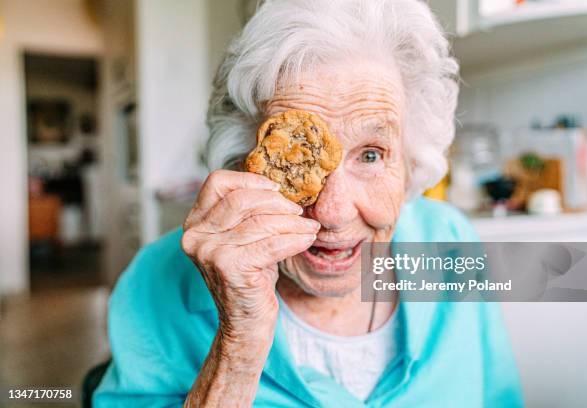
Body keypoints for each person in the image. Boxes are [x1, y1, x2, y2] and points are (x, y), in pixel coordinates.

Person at [94, 0, 523, 406]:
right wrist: (238, 345)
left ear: (412, 164)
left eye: (371, 154)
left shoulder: (451, 242)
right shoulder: (155, 279)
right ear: (243, 164)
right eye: (289, 159)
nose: (332, 213)